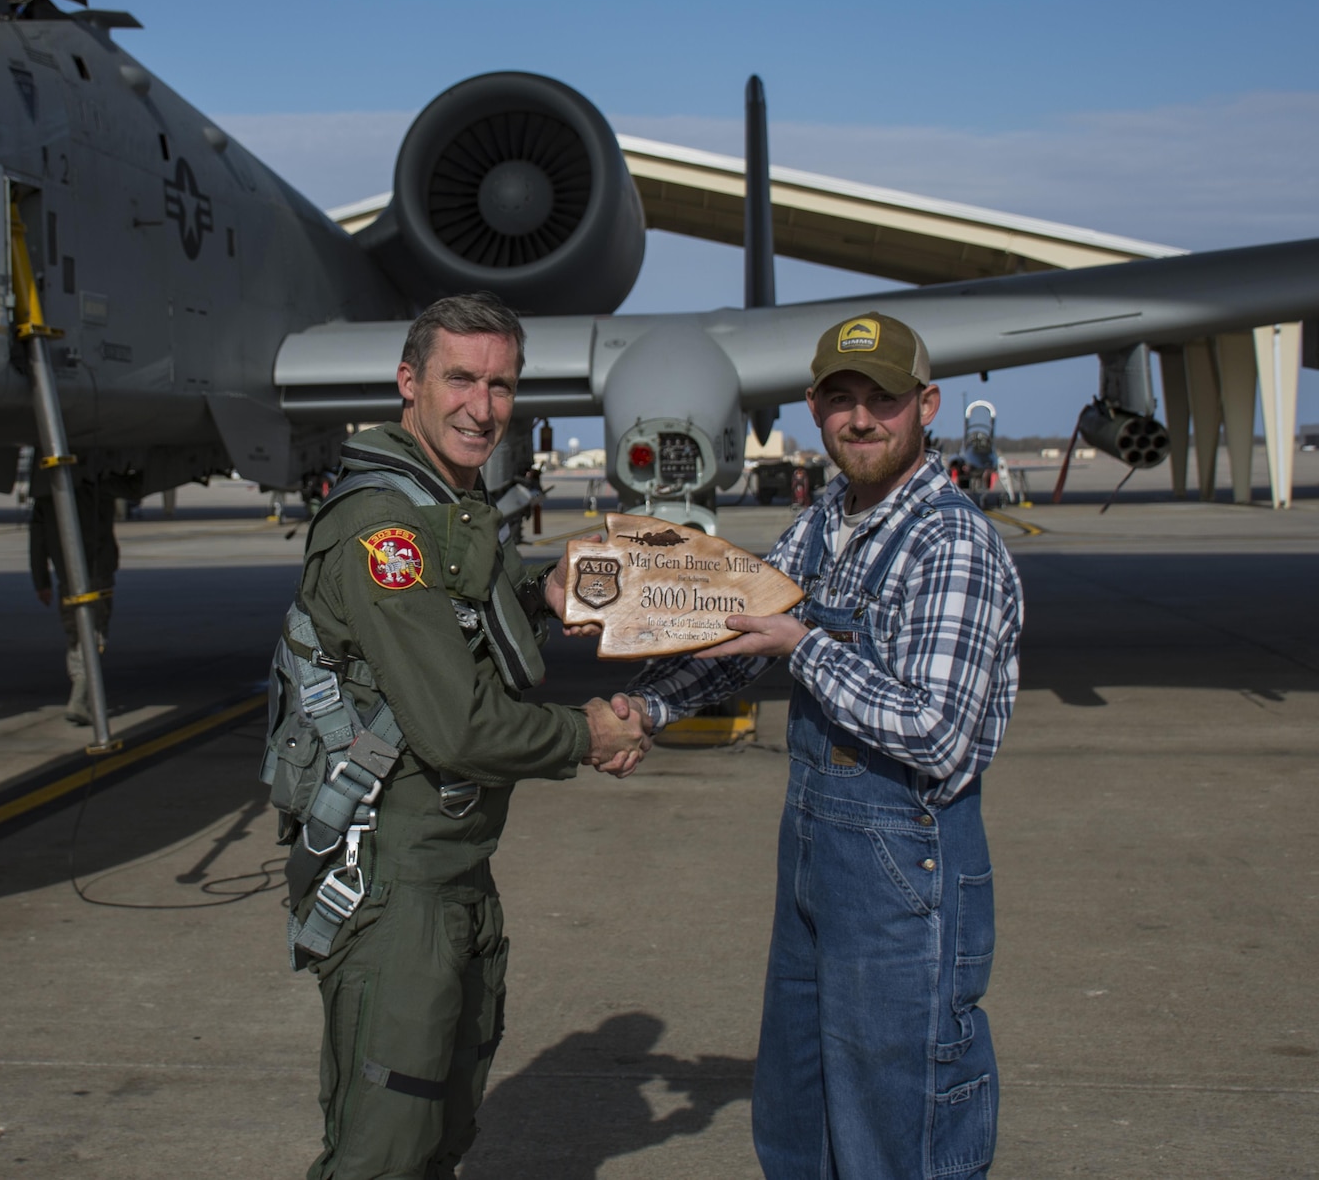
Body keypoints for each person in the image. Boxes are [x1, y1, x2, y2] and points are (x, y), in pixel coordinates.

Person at [615, 310, 1023, 1180]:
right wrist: (647, 710)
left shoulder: (951, 541)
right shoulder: (821, 526)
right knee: (798, 1121)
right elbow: (741, 640)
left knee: (894, 1129)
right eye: (843, 399)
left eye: (885, 397)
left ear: (927, 405)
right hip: (813, 861)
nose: (863, 417)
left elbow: (936, 732)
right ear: (813, 408)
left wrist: (803, 647)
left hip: (905, 871)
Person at [263, 291, 648, 1180]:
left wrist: (542, 595)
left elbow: (470, 617)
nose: (483, 406)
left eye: (502, 384)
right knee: (381, 1156)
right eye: (461, 379)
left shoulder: (450, 506)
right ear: (410, 381)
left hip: (454, 873)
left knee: (438, 1140)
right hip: (395, 888)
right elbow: (456, 726)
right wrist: (587, 734)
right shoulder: (386, 529)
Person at [29, 476, 118, 726]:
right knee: (93, 633)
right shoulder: (97, 484)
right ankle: (80, 696)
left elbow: (37, 538)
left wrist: (41, 582)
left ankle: (81, 690)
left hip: (67, 576)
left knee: (76, 635)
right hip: (96, 573)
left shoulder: (47, 495)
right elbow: (130, 489)